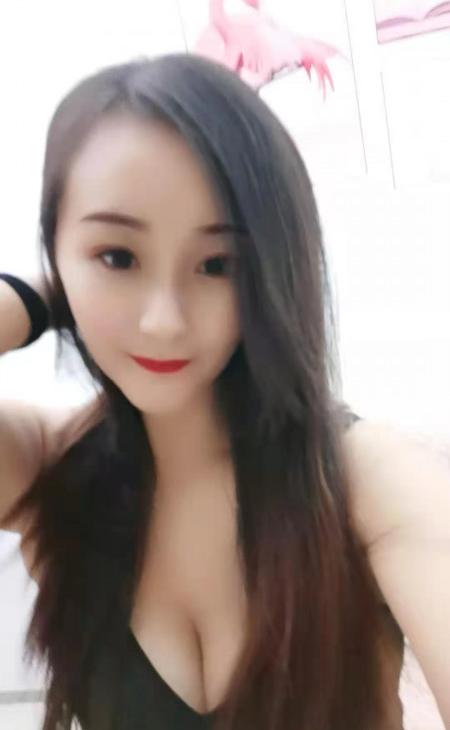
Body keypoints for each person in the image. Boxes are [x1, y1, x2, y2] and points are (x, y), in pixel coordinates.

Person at [0, 53, 449, 730]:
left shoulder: (365, 480)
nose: (165, 319)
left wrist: (93, 269)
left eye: (217, 264)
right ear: (56, 254)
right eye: (117, 256)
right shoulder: (49, 471)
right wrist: (34, 298)